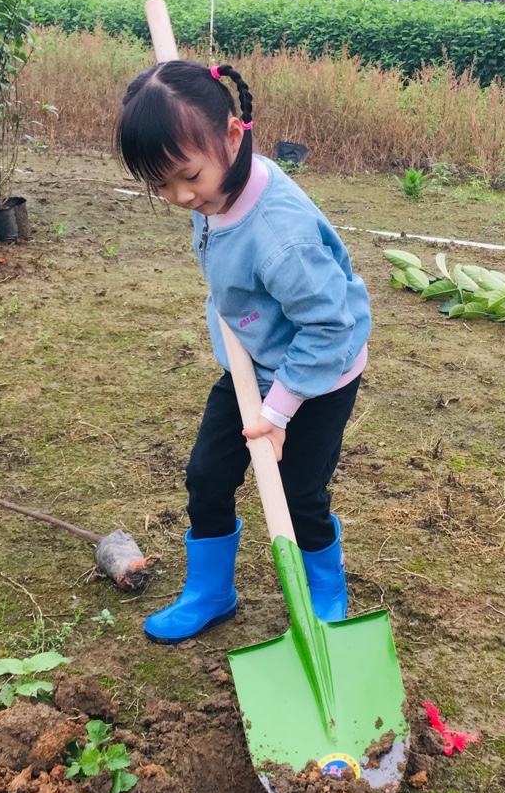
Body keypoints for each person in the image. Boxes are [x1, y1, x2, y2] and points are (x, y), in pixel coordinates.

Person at [116, 59, 371, 643]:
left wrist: (278, 413)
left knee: (299, 491)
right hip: (250, 365)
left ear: (234, 134)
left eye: (187, 177)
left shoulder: (282, 237)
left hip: (318, 372)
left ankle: (324, 591)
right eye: (161, 186)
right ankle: (210, 591)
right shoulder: (215, 188)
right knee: (207, 475)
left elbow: (328, 329)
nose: (180, 197)